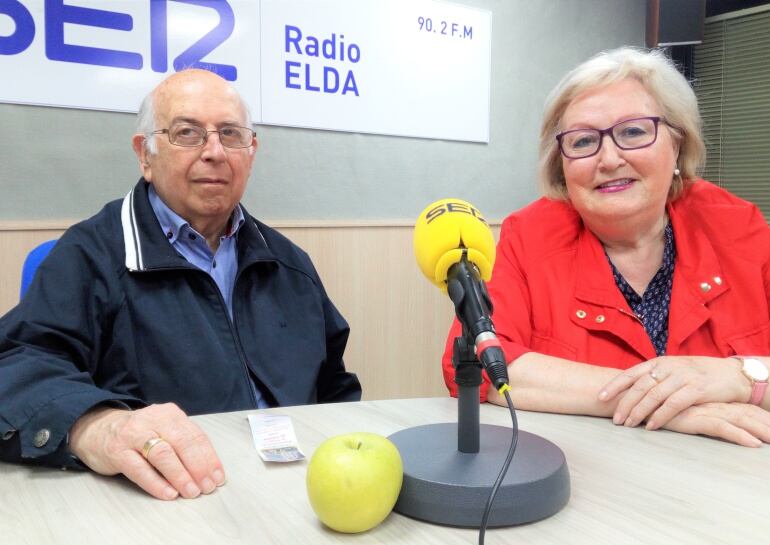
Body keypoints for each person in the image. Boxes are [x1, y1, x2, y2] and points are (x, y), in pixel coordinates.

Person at [0, 69, 361, 500]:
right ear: (145, 155)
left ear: (251, 153)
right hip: (167, 497)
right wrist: (97, 425)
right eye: (187, 133)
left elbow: (334, 386)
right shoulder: (90, 255)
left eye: (230, 134)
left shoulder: (288, 264)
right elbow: (16, 365)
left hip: (299, 492)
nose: (214, 152)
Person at [442, 47, 770, 447]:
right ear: (561, 165)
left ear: (678, 145)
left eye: (633, 132)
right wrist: (669, 403)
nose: (609, 158)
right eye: (583, 141)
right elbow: (478, 365)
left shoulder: (738, 228)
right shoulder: (530, 235)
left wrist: (742, 376)